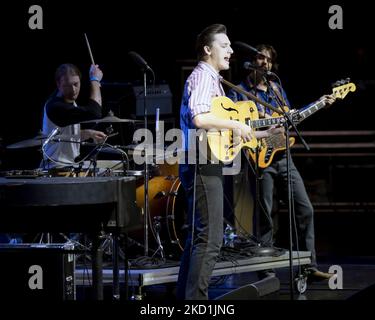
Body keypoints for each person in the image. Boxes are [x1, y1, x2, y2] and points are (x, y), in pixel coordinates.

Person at [177, 25, 280, 300]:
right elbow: (200, 119)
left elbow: (223, 128)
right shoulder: (201, 77)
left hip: (205, 160)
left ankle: (185, 299)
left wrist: (259, 133)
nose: (231, 51)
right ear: (208, 49)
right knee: (209, 240)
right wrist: (236, 123)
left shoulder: (214, 81)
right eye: (225, 45)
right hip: (200, 161)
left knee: (198, 239)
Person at [227, 44, 336, 281]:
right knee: (266, 216)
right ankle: (265, 271)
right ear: (251, 61)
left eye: (268, 60)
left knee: (305, 208)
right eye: (259, 58)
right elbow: (230, 119)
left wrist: (320, 103)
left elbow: (289, 117)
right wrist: (265, 121)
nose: (264, 63)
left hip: (283, 156)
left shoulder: (276, 88)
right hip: (258, 157)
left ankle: (308, 265)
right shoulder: (239, 90)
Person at [41, 63, 107, 168]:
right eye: (67, 85)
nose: (73, 90)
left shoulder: (70, 102)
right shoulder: (55, 107)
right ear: (58, 84)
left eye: (76, 84)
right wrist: (95, 80)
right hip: (56, 168)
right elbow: (95, 112)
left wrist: (89, 133)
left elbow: (65, 135)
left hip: (70, 165)